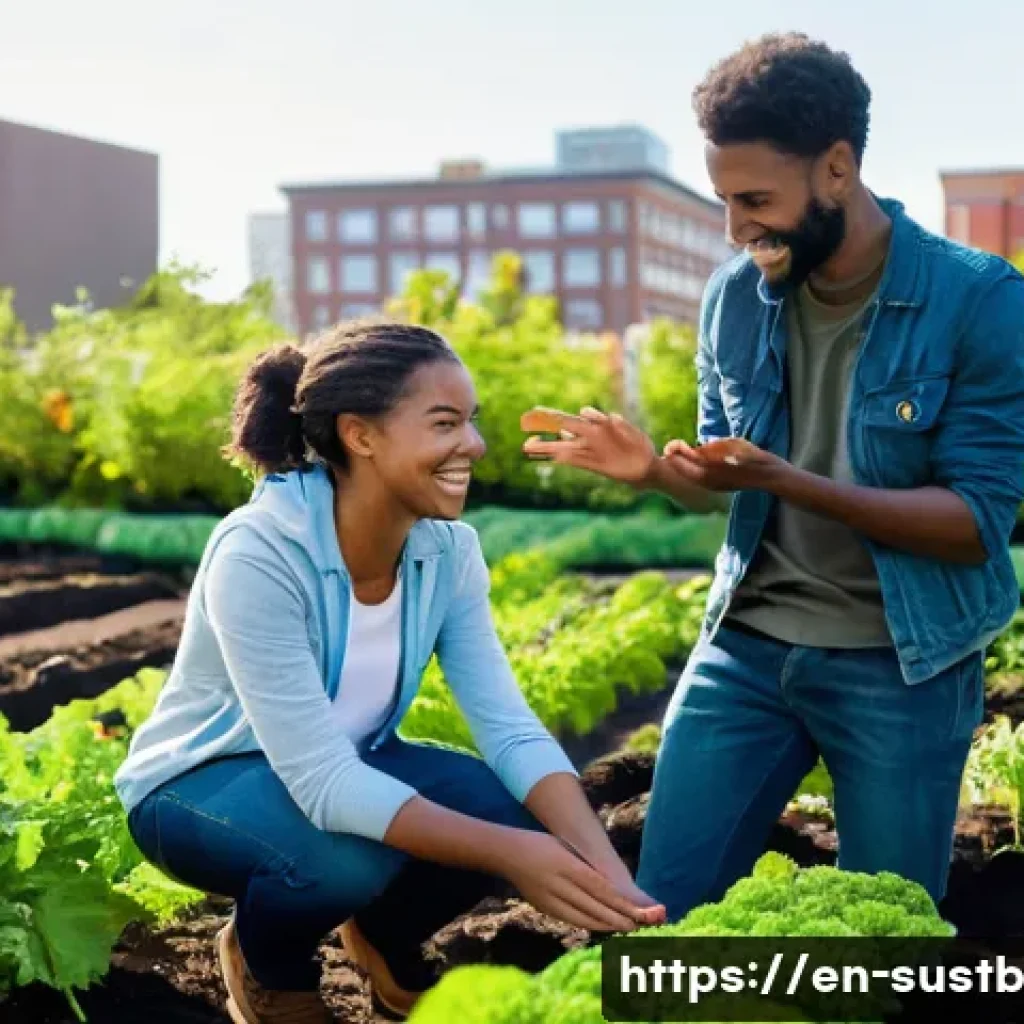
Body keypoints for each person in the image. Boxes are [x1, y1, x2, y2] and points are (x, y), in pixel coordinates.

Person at [521, 32, 1024, 924]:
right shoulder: (732, 299)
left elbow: (975, 521)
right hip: (745, 648)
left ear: (837, 167)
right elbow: (730, 480)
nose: (735, 227)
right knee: (659, 918)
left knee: (885, 939)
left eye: (755, 199)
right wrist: (657, 474)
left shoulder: (980, 299)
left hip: (900, 662)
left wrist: (794, 482)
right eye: (723, 200)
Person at [113, 321, 664, 1024]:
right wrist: (518, 856)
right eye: (444, 423)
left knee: (511, 803)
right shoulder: (259, 552)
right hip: (201, 786)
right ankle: (269, 965)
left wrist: (603, 871)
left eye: (471, 423)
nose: (474, 445)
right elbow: (324, 785)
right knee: (344, 860)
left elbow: (508, 727)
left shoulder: (448, 552)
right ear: (360, 435)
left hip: (342, 768)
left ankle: (382, 937)